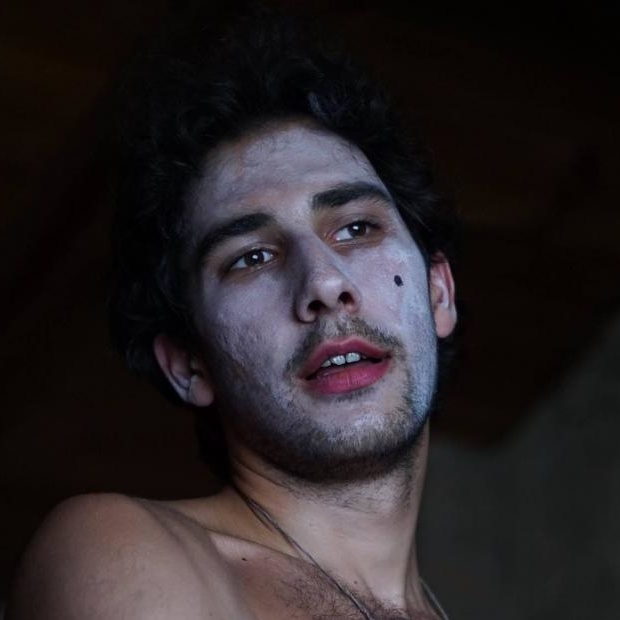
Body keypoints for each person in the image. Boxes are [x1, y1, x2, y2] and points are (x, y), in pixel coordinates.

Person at [7, 9, 458, 620]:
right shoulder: (121, 549)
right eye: (251, 257)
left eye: (356, 228)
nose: (325, 283)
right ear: (189, 364)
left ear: (438, 294)